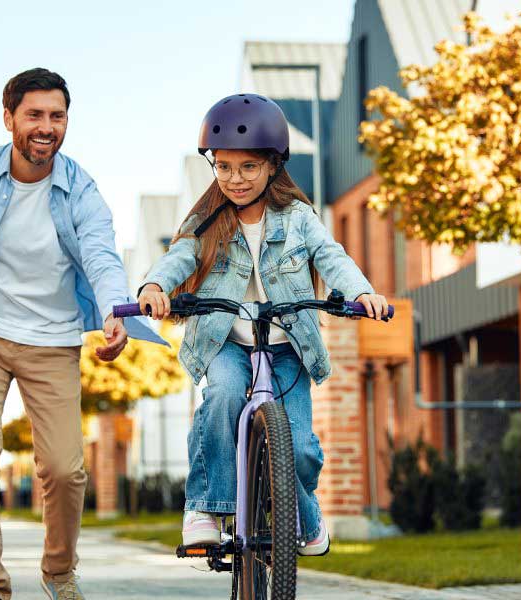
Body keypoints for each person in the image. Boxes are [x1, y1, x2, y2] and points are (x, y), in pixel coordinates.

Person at [0, 68, 164, 600]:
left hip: (52, 337)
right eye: (35, 115)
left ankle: (59, 571)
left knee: (65, 470)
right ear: (9, 119)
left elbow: (101, 255)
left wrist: (115, 312)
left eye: (57, 116)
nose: (47, 127)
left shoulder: (81, 189)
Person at [138, 94, 388, 557]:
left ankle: (304, 516)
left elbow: (330, 255)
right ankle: (206, 509)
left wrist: (361, 292)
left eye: (248, 167)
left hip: (286, 344)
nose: (235, 178)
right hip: (227, 342)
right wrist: (154, 286)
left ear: (273, 165)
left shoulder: (298, 218)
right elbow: (179, 257)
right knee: (224, 397)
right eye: (224, 166)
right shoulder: (206, 221)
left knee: (299, 446)